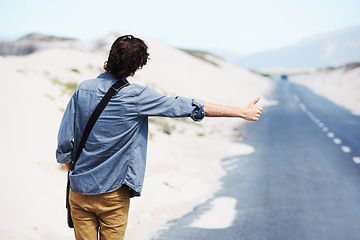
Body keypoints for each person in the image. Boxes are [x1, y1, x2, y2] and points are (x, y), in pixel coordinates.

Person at [56, 35, 263, 240]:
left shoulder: (83, 89)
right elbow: (184, 106)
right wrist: (240, 112)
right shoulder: (136, 96)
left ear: (110, 56)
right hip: (113, 193)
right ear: (137, 66)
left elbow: (65, 142)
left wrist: (74, 172)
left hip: (80, 190)